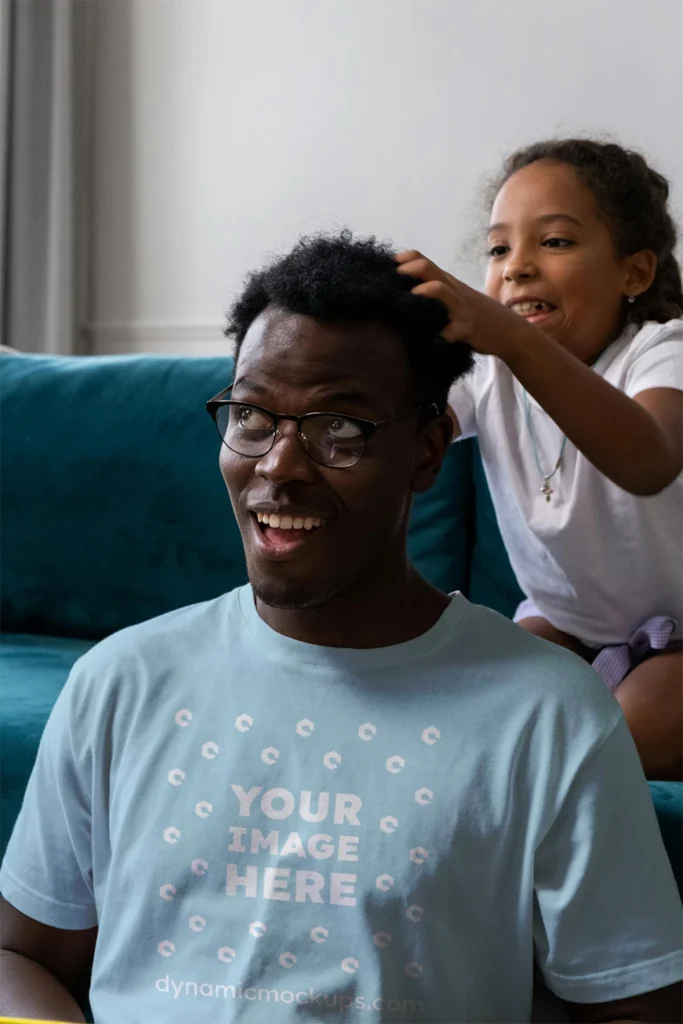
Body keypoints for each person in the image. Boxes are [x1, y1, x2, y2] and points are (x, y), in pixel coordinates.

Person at [1, 232, 683, 1024]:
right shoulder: (119, 682)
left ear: (427, 450)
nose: (279, 464)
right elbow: (21, 954)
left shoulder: (548, 714)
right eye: (252, 415)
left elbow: (637, 1008)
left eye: (339, 429)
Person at [397, 138, 683, 781]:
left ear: (634, 274)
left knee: (621, 741)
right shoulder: (487, 371)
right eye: (499, 249)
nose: (516, 266)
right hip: (569, 625)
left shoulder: (663, 351)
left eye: (553, 242)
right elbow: (409, 432)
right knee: (470, 716)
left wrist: (511, 338)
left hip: (682, 640)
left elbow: (650, 460)